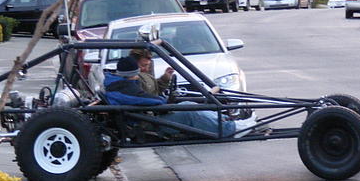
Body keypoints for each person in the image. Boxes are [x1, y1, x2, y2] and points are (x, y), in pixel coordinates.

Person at [103, 56, 256, 138]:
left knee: (189, 103)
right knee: (189, 113)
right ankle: (233, 130)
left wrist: (163, 96)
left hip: (148, 118)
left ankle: (227, 122)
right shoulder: (121, 88)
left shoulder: (119, 84)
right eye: (137, 72)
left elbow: (144, 97)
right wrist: (162, 101)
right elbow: (144, 99)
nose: (139, 75)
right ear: (131, 74)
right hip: (148, 125)